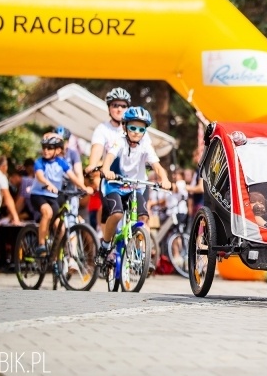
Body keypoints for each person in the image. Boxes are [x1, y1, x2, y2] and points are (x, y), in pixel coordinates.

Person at [96, 106, 171, 268]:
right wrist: (106, 170)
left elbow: (157, 166)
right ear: (125, 127)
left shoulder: (145, 145)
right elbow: (109, 157)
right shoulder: (119, 142)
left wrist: (164, 179)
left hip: (135, 187)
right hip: (114, 186)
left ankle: (142, 255)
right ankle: (105, 245)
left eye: (141, 129)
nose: (137, 132)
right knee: (117, 214)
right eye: (133, 128)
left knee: (143, 218)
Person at [30, 133, 93, 256]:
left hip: (53, 197)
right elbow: (40, 176)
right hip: (39, 195)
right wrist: (48, 184)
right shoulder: (39, 162)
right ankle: (41, 245)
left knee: (61, 228)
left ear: (58, 150)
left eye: (49, 148)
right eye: (44, 147)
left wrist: (84, 188)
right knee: (47, 212)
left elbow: (73, 177)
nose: (46, 150)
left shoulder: (61, 162)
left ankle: (54, 258)